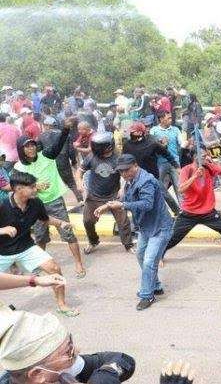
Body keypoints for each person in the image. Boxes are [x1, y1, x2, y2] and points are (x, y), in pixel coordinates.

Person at [94, 154, 173, 311]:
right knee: (140, 255)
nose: (124, 174)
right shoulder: (130, 180)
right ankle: (155, 285)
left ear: (135, 166)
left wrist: (122, 205)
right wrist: (108, 205)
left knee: (149, 261)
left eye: (127, 170)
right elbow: (123, 197)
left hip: (159, 227)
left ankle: (147, 295)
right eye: (121, 171)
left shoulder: (146, 181)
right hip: (146, 226)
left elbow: (147, 204)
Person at [14, 118, 86, 279]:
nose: (31, 149)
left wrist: (66, 129)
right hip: (35, 204)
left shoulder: (46, 155)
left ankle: (78, 263)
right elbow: (18, 188)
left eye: (32, 145)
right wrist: (34, 187)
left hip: (55, 201)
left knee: (67, 232)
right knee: (40, 237)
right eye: (27, 147)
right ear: (21, 150)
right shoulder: (18, 167)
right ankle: (39, 265)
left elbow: (59, 143)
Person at [0, 172, 78, 316]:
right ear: (18, 189)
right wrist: (2, 230)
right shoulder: (2, 205)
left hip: (26, 247)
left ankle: (62, 305)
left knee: (54, 268)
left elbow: (45, 219)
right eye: (32, 187)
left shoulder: (36, 203)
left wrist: (61, 223)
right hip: (2, 252)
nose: (36, 189)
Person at [0, 308, 136, 383]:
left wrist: (106, 374)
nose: (76, 351)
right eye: (68, 352)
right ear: (37, 374)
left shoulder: (59, 370)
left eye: (70, 345)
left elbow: (124, 360)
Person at [164, 151, 221, 258]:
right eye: (203, 155)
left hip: (208, 212)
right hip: (189, 213)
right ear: (194, 157)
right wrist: (195, 176)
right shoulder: (187, 169)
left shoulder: (208, 167)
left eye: (206, 155)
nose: (206, 157)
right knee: (173, 237)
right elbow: (181, 189)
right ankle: (159, 255)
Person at [78, 132, 134, 255]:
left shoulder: (118, 158)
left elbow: (128, 175)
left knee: (123, 221)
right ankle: (93, 242)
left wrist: (123, 188)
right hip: (93, 196)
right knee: (88, 221)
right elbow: (80, 170)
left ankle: (128, 244)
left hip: (114, 195)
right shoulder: (92, 157)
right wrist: (79, 183)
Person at [121, 122, 180, 213]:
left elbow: (166, 154)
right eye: (131, 132)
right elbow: (123, 159)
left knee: (165, 195)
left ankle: (177, 212)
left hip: (151, 177)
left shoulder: (152, 143)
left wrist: (176, 165)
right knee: (125, 196)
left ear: (140, 133)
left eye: (133, 132)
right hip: (134, 177)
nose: (131, 133)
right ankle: (125, 218)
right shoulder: (127, 145)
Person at [39, 115, 83, 205]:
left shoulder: (42, 136)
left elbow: (39, 151)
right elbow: (71, 150)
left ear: (47, 125)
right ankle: (80, 200)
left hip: (49, 163)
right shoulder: (64, 134)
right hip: (63, 161)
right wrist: (74, 162)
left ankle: (54, 202)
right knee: (71, 182)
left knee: (51, 183)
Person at [150, 112, 183, 208]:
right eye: (168, 118)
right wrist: (159, 142)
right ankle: (161, 208)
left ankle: (183, 210)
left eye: (171, 118)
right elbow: (151, 143)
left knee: (179, 186)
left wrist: (186, 144)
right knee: (160, 187)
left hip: (175, 163)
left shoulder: (176, 130)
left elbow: (181, 143)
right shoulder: (154, 131)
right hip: (160, 163)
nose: (171, 119)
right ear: (161, 119)